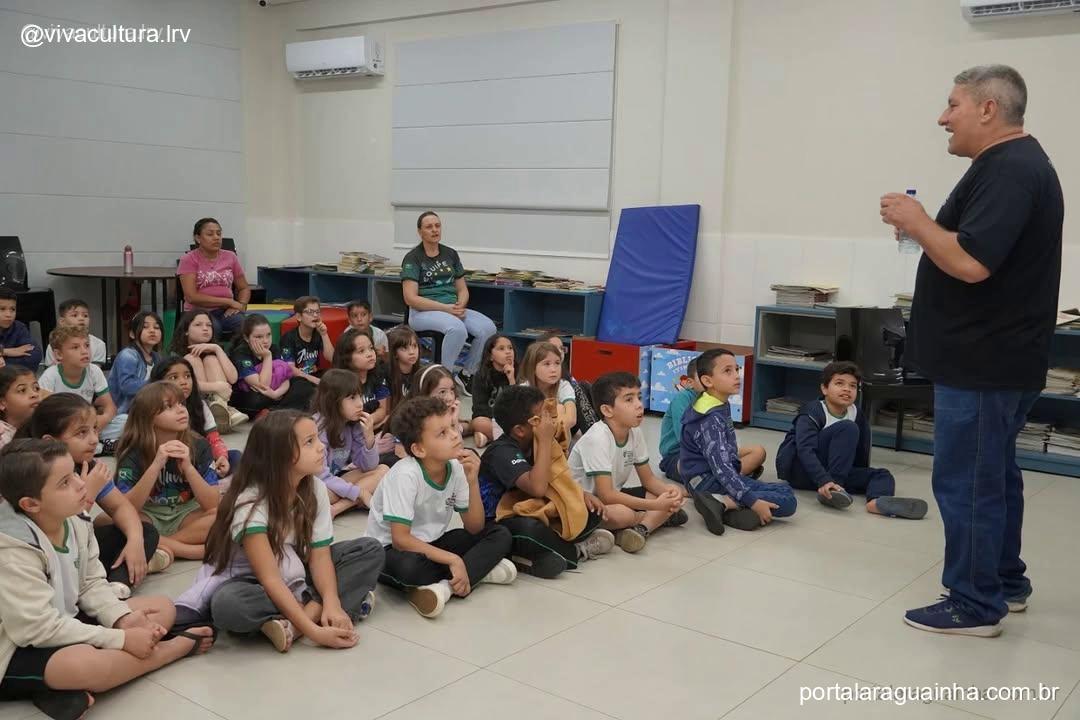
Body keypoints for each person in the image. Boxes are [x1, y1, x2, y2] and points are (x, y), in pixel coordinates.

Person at [880, 65, 1063, 637]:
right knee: (994, 476)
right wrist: (925, 233)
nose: (943, 118)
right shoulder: (1011, 165)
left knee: (968, 484)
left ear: (988, 109)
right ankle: (1004, 583)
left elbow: (971, 263)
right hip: (997, 358)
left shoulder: (1011, 170)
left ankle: (975, 604)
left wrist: (918, 221)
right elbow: (971, 248)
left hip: (985, 362)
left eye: (952, 105)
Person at [0, 439, 213, 720]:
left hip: (62, 620)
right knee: (84, 665)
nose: (81, 484)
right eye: (65, 483)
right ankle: (168, 651)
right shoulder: (12, 548)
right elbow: (36, 629)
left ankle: (60, 687)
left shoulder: (74, 519)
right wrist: (120, 638)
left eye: (75, 473)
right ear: (31, 504)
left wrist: (122, 618)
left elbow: (90, 584)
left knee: (161, 607)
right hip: (15, 645)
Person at [173, 411, 385, 653]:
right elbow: (270, 578)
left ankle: (298, 622)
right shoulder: (250, 501)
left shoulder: (315, 489)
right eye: (309, 442)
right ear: (280, 455)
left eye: (317, 438)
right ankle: (317, 611)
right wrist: (314, 632)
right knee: (227, 604)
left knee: (370, 550)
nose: (321, 447)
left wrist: (332, 602)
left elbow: (320, 556)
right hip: (252, 579)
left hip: (299, 568)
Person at [366, 396, 515, 618]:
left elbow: (474, 527)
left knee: (500, 533)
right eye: (442, 433)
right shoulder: (405, 475)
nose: (455, 435)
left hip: (432, 543)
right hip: (391, 551)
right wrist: (453, 559)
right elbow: (401, 540)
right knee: (410, 569)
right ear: (419, 449)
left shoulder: (456, 467)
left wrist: (472, 481)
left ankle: (444, 588)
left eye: (452, 427)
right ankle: (477, 572)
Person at [23, 394, 174, 590]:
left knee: (144, 531)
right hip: (44, 556)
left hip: (80, 552)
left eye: (95, 429)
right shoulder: (34, 472)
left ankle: (118, 585)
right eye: (81, 433)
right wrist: (89, 492)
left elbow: (120, 507)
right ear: (50, 441)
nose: (94, 440)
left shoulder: (89, 465)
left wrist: (135, 541)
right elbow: (60, 531)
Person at [479, 385, 614, 578]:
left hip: (535, 508)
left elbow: (558, 480)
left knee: (593, 509)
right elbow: (538, 488)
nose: (549, 421)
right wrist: (544, 441)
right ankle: (574, 551)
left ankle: (543, 553)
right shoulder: (502, 451)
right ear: (520, 430)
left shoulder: (536, 441)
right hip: (499, 522)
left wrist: (580, 494)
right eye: (541, 417)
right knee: (529, 530)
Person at [776, 361, 928, 519]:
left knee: (882, 474)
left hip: (837, 473)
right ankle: (832, 489)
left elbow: (861, 449)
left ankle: (876, 502)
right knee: (847, 428)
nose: (847, 389)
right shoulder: (813, 411)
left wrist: (860, 474)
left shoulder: (855, 413)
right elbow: (805, 450)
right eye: (839, 383)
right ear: (824, 388)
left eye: (853, 386)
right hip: (802, 471)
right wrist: (824, 480)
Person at [679, 349, 797, 534]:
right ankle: (722, 502)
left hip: (709, 479)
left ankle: (725, 507)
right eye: (727, 371)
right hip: (707, 482)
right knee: (789, 501)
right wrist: (754, 502)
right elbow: (721, 468)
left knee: (785, 489)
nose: (736, 376)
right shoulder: (710, 418)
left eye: (736, 369)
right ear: (708, 381)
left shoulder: (716, 402)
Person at [568, 372, 685, 553]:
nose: (639, 405)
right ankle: (646, 521)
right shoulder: (597, 438)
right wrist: (656, 507)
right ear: (607, 410)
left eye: (639, 397)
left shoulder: (634, 431)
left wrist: (669, 493)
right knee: (624, 514)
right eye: (629, 400)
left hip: (612, 496)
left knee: (662, 496)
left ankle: (639, 529)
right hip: (584, 504)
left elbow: (649, 480)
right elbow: (606, 495)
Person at [114, 382, 220, 560]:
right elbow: (126, 507)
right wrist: (155, 466)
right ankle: (189, 551)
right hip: (148, 515)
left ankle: (162, 545)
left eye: (181, 404)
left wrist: (188, 468)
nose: (181, 410)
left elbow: (212, 504)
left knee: (224, 515)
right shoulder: (133, 451)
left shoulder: (199, 445)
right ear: (148, 416)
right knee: (106, 521)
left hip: (186, 515)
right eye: (169, 406)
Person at [400, 211, 497, 397]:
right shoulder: (413, 258)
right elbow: (410, 298)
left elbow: (462, 289)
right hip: (422, 312)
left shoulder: (450, 254)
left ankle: (467, 374)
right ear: (420, 232)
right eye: (429, 227)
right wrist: (446, 309)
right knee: (457, 329)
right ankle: (443, 377)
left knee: (488, 328)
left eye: (437, 226)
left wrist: (460, 304)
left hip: (452, 309)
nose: (434, 230)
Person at [311, 369, 389, 517]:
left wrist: (369, 437)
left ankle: (336, 509)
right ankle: (355, 499)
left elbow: (369, 467)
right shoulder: (317, 427)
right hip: (315, 484)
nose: (360, 404)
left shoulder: (352, 424)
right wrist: (360, 492)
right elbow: (321, 477)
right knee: (320, 494)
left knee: (383, 470)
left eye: (360, 396)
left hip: (333, 481)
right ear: (333, 400)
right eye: (352, 398)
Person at [151, 358, 240, 481]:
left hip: (196, 459)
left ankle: (212, 482)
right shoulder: (152, 407)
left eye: (187, 376)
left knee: (235, 457)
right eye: (174, 377)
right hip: (162, 461)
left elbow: (214, 439)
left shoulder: (200, 406)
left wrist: (221, 456)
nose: (183, 382)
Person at [169, 310, 246, 433]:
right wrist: (217, 386)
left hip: (219, 398)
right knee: (192, 358)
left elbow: (233, 378)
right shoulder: (176, 355)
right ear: (186, 331)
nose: (205, 329)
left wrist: (217, 349)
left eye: (209, 325)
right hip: (194, 403)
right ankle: (219, 410)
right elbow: (182, 385)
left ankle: (220, 408)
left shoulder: (214, 351)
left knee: (211, 359)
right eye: (198, 325)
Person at [228, 314, 316, 418]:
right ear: (246, 338)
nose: (265, 341)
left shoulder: (274, 348)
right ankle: (283, 409)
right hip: (251, 397)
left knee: (303, 384)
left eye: (268, 335)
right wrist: (267, 357)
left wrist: (276, 393)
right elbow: (262, 385)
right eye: (259, 337)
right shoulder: (240, 353)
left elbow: (285, 377)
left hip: (273, 393)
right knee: (256, 399)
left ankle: (273, 411)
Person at [177, 217, 251, 338]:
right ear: (198, 238)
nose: (216, 237)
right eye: (210, 234)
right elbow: (191, 296)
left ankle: (242, 351)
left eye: (219, 233)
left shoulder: (230, 256)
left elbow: (244, 288)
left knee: (247, 326)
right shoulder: (188, 259)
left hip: (226, 311)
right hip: (198, 312)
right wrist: (228, 302)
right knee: (211, 329)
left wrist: (241, 305)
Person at [38, 326, 117, 437]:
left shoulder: (94, 371)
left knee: (124, 421)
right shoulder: (50, 376)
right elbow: (45, 414)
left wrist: (103, 420)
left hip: (88, 422)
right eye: (75, 347)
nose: (84, 351)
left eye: (87, 345)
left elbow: (110, 406)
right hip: (62, 426)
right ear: (59, 354)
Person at [102, 311, 163, 444]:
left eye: (157, 327)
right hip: (123, 414)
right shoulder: (128, 355)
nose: (152, 331)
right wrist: (158, 384)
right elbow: (127, 386)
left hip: (147, 411)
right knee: (128, 423)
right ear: (132, 334)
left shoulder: (157, 358)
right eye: (145, 327)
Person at [519, 341, 577, 447]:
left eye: (557, 363)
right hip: (532, 439)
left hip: (556, 439)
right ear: (533, 368)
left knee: (559, 408)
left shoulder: (563, 386)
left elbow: (571, 418)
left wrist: (549, 434)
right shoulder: (524, 389)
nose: (553, 369)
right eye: (547, 364)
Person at [332, 329, 390, 429]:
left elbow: (382, 410)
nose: (370, 354)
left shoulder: (378, 374)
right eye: (361, 351)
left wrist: (369, 421)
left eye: (371, 348)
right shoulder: (339, 385)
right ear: (347, 358)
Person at [658, 358, 701, 482]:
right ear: (690, 382)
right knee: (700, 468)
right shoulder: (683, 398)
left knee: (753, 452)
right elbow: (684, 437)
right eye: (703, 376)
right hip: (677, 455)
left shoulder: (715, 399)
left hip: (706, 453)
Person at [470, 333, 515, 448]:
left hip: (512, 419)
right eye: (501, 348)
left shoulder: (518, 373)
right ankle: (509, 442)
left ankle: (488, 437)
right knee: (478, 422)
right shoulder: (481, 376)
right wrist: (499, 418)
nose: (508, 352)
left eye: (510, 348)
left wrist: (511, 380)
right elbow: (479, 407)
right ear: (490, 356)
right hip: (489, 418)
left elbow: (518, 404)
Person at [281, 295, 334, 385]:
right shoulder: (288, 338)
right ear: (299, 317)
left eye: (317, 312)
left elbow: (332, 358)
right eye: (310, 312)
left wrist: (324, 334)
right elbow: (291, 369)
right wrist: (316, 380)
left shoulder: (318, 333)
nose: (315, 315)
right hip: (297, 379)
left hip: (314, 375)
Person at [45, 299, 107, 367]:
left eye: (85, 316)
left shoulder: (99, 345)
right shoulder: (53, 346)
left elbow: (94, 371)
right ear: (62, 321)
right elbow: (51, 370)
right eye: (74, 315)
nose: (81, 319)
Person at [386, 325, 424, 416]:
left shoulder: (422, 372)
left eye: (414, 346)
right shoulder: (386, 374)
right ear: (395, 353)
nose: (412, 352)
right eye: (404, 348)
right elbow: (387, 410)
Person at [0, 288, 41, 370]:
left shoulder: (19, 327)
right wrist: (6, 351)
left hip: (13, 376)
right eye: (2, 309)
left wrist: (3, 363)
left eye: (12, 309)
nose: (8, 314)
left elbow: (35, 356)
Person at [0, 366, 40, 450]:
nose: (35, 394)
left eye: (36, 388)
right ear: (2, 403)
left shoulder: (41, 426)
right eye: (22, 390)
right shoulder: (2, 437)